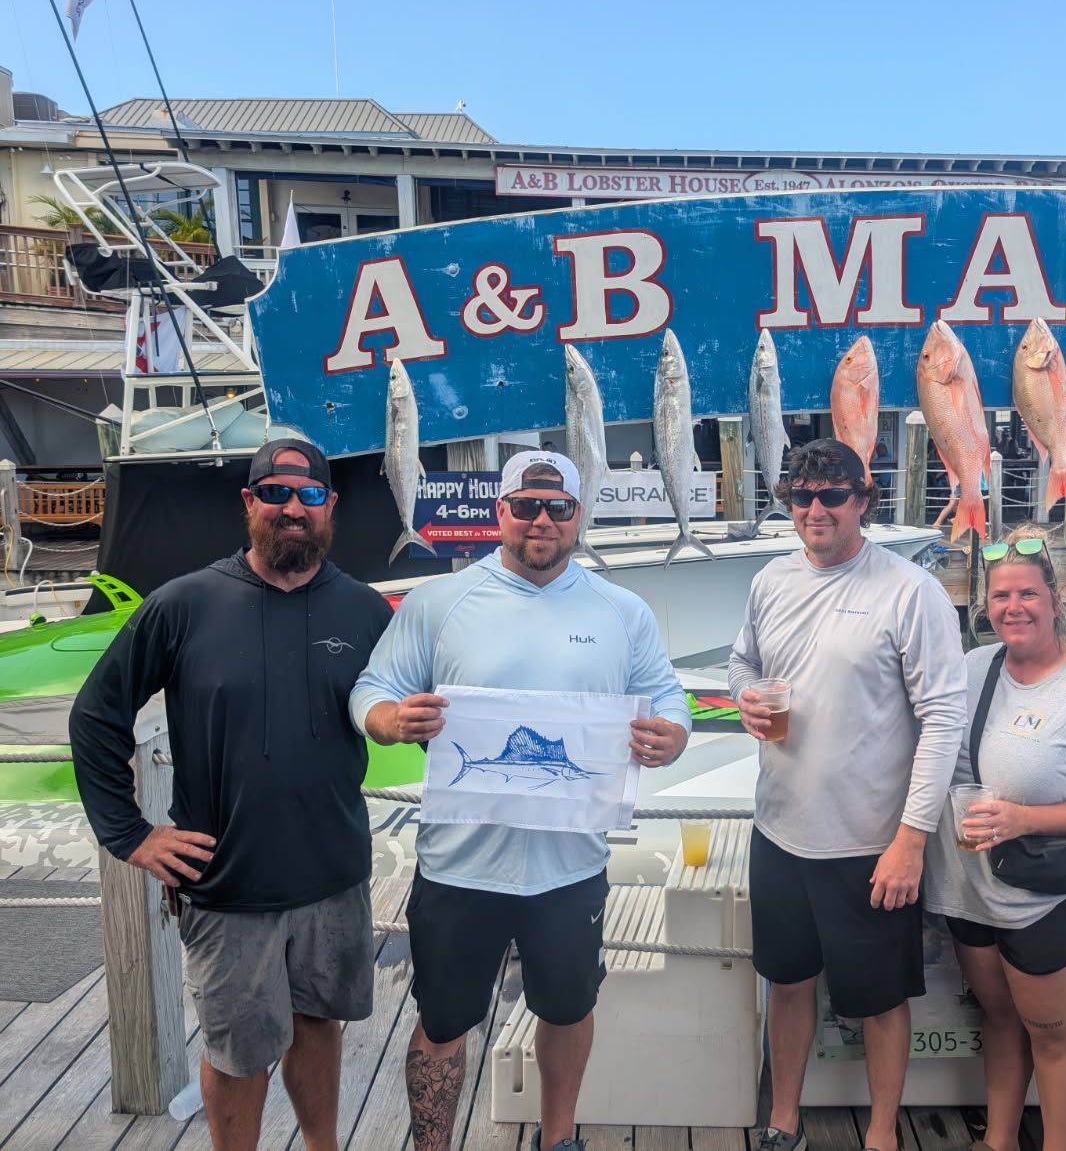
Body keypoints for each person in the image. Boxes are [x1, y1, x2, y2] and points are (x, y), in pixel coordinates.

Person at [351, 450, 690, 1151]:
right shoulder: (437, 602)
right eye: (527, 504)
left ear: (577, 516)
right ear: (499, 511)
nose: (542, 520)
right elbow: (371, 686)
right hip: (458, 866)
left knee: (567, 1008)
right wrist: (387, 720)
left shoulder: (621, 609)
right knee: (444, 1019)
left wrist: (673, 735)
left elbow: (665, 694)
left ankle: (559, 1137)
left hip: (569, 868)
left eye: (558, 507)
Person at [70, 438, 393, 1151]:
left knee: (317, 1023)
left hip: (334, 874)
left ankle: (322, 1147)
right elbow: (95, 716)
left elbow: (420, 716)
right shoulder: (183, 605)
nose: (292, 507)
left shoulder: (367, 611)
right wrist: (130, 833)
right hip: (226, 881)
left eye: (309, 495)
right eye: (274, 492)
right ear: (248, 503)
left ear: (330, 507)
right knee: (238, 1050)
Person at [729, 438, 967, 1151]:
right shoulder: (770, 579)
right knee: (788, 980)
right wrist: (742, 694)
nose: (815, 509)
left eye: (833, 495)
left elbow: (944, 715)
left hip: (869, 843)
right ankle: (783, 1119)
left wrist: (911, 838)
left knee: (879, 999)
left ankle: (885, 1132)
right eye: (801, 496)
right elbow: (743, 659)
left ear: (864, 501)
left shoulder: (908, 589)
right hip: (777, 831)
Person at [923, 528, 1066, 1151]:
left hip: (1051, 895)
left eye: (1027, 593)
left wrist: (1025, 819)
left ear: (1057, 598)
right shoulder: (971, 669)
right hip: (972, 888)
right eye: (999, 596)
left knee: (1052, 1036)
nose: (1013, 607)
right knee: (999, 1018)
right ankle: (998, 1141)